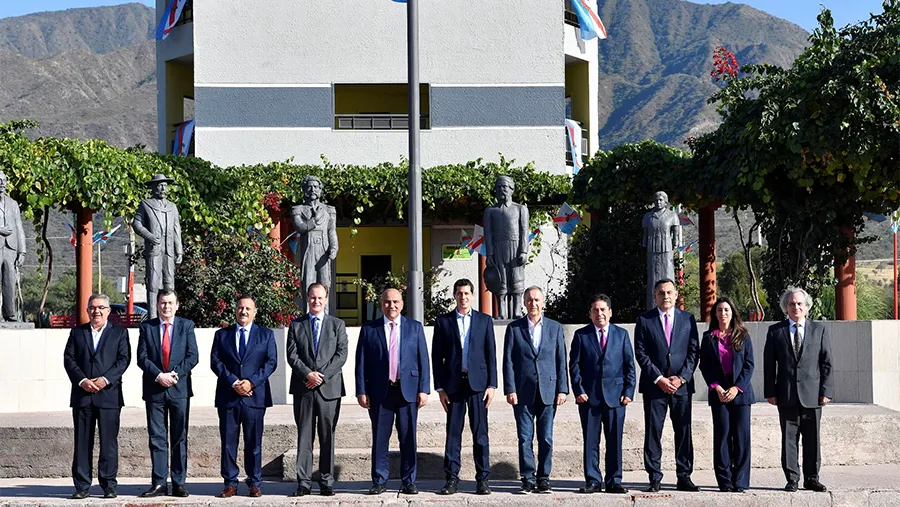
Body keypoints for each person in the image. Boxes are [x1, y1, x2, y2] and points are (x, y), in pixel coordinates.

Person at [355, 288, 430, 495]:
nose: (392, 306)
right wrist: (361, 390)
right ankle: (379, 480)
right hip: (380, 392)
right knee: (380, 438)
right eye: (387, 302)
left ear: (402, 304)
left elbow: (423, 360)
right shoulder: (369, 329)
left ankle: (409, 481)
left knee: (408, 438)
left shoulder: (414, 327)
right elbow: (360, 362)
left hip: (408, 391)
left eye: (396, 301)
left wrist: (424, 389)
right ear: (382, 304)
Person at [634, 278, 700, 492]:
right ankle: (654, 476)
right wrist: (659, 379)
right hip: (655, 387)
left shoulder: (688, 319)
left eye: (669, 292)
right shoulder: (644, 320)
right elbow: (641, 353)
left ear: (676, 294)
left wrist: (681, 378)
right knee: (653, 431)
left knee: (684, 431)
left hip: (682, 387)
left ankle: (684, 476)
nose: (666, 296)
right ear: (655, 295)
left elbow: (693, 352)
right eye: (661, 293)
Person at [764, 287, 833, 493]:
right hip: (786, 394)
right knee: (789, 439)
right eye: (792, 304)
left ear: (807, 307)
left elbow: (826, 363)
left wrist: (826, 391)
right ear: (786, 307)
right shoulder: (775, 331)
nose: (796, 307)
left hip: (813, 394)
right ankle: (792, 478)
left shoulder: (819, 330)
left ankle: (812, 478)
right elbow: (769, 365)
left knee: (812, 439)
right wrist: (770, 392)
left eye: (800, 303)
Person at [432, 279, 497, 496]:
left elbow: (491, 354)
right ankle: (451, 479)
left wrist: (492, 385)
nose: (463, 297)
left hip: (478, 386)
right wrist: (440, 388)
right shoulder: (443, 322)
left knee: (480, 435)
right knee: (453, 434)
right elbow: (436, 357)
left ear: (473, 295)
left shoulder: (484, 321)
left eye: (467, 293)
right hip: (453, 386)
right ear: (454, 295)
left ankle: (483, 479)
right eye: (459, 293)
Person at [63, 294, 131, 499]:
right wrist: (83, 380)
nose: (97, 311)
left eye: (101, 307)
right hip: (83, 395)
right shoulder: (77, 332)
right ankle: (82, 486)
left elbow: (123, 360)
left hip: (109, 396)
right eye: (93, 307)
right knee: (82, 442)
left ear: (109, 311)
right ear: (87, 310)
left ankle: (109, 485)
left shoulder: (119, 333)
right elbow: (69, 359)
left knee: (109, 443)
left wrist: (105, 379)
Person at [502, 286, 568, 494]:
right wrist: (510, 389)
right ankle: (528, 478)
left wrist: (562, 389)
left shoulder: (555, 328)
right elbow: (508, 361)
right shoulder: (514, 328)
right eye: (529, 300)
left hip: (548, 390)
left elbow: (561, 360)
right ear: (524, 303)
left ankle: (544, 477)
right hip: (522, 391)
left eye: (537, 300)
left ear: (543, 302)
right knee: (524, 437)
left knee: (546, 437)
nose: (533, 303)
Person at [210, 296, 278, 498]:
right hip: (228, 397)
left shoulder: (266, 334)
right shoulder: (222, 335)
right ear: (235, 310)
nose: (244, 311)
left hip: (254, 397)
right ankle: (230, 483)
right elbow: (215, 362)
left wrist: (251, 382)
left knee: (254, 443)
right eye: (240, 307)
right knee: (228, 443)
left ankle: (254, 482)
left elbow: (271, 362)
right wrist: (234, 382)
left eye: (248, 308)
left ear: (255, 311)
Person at [286, 283, 348, 497]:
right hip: (303, 388)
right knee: (304, 437)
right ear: (307, 298)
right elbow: (292, 355)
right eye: (313, 297)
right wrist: (308, 375)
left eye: (320, 298)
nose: (316, 301)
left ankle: (326, 481)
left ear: (326, 299)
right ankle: (303, 482)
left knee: (327, 437)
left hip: (329, 389)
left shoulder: (337, 325)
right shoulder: (296, 325)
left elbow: (341, 354)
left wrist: (321, 376)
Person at [569, 294, 635, 494]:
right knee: (591, 441)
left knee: (615, 440)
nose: (599, 313)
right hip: (589, 398)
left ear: (610, 312)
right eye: (595, 310)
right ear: (590, 314)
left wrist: (628, 391)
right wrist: (579, 390)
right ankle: (593, 480)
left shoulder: (621, 334)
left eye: (603, 309)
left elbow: (629, 366)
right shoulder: (581, 335)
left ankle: (614, 480)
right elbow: (574, 366)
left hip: (616, 397)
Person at [136, 289, 199, 498]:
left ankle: (179, 483)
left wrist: (174, 374)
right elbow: (142, 358)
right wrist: (158, 376)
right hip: (154, 390)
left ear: (177, 305)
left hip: (179, 390)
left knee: (179, 437)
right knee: (157, 438)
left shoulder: (186, 326)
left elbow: (192, 356)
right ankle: (159, 483)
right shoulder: (147, 327)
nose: (166, 307)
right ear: (157, 305)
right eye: (163, 303)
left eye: (170, 303)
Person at [698, 296, 755, 493]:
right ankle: (725, 481)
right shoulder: (708, 338)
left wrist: (737, 388)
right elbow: (705, 365)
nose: (723, 313)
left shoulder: (743, 335)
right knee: (722, 437)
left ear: (732, 313)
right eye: (719, 310)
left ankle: (740, 481)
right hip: (719, 392)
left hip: (740, 392)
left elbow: (749, 364)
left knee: (741, 437)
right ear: (715, 313)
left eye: (726, 310)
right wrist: (716, 387)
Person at [132, 174, 183, 320]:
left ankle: (170, 317)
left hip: (169, 250)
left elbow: (176, 229)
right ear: (153, 187)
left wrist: (179, 250)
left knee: (169, 283)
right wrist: (149, 236)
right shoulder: (146, 204)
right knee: (153, 283)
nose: (163, 188)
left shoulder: (172, 207)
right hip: (154, 250)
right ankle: (153, 317)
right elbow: (136, 224)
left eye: (165, 186)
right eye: (160, 185)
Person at [483, 176, 529, 319]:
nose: (502, 190)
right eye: (499, 187)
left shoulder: (520, 209)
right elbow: (488, 233)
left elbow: (524, 231)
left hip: (515, 248)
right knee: (500, 280)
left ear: (511, 189)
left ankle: (517, 310)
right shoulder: (490, 211)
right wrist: (489, 254)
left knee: (516, 278)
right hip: (498, 248)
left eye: (504, 187)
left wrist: (524, 251)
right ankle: (501, 312)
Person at [291, 176, 338, 312]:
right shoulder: (298, 209)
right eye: (309, 187)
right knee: (308, 282)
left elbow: (332, 231)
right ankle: (308, 315)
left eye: (316, 187)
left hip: (323, 250)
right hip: (308, 250)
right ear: (304, 189)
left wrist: (334, 247)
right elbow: (300, 227)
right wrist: (315, 219)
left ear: (320, 190)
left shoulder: (329, 210)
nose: (313, 190)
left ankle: (325, 315)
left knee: (325, 283)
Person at [641, 191, 679, 310]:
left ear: (665, 201)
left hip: (667, 250)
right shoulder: (648, 216)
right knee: (653, 278)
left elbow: (676, 234)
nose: (658, 202)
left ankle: (669, 308)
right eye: (656, 200)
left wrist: (675, 243)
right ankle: (652, 307)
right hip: (652, 250)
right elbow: (645, 235)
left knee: (667, 274)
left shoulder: (672, 215)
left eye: (661, 200)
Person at [0, 170, 25, 321]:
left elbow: (19, 227)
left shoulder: (13, 203)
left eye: (3, 181)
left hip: (10, 248)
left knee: (10, 281)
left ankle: (9, 313)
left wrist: (22, 251)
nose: (1, 184)